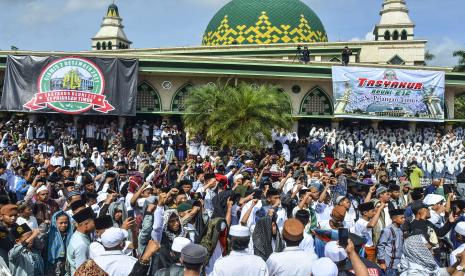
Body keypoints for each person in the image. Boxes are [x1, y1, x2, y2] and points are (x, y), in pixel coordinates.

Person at [67, 207, 95, 275]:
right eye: (94, 222)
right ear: (86, 225)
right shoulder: (81, 244)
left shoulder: (78, 235)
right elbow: (82, 270)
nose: (95, 225)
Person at [377, 209, 405, 276]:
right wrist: (382, 262)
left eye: (404, 217)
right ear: (394, 219)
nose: (404, 219)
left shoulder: (401, 229)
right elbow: (381, 246)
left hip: (399, 263)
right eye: (402, 218)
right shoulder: (387, 230)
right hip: (389, 264)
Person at [46, 211, 73, 276]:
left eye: (66, 222)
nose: (63, 225)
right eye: (61, 223)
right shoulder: (49, 235)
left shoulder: (70, 234)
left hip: (66, 263)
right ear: (55, 223)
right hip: (52, 265)